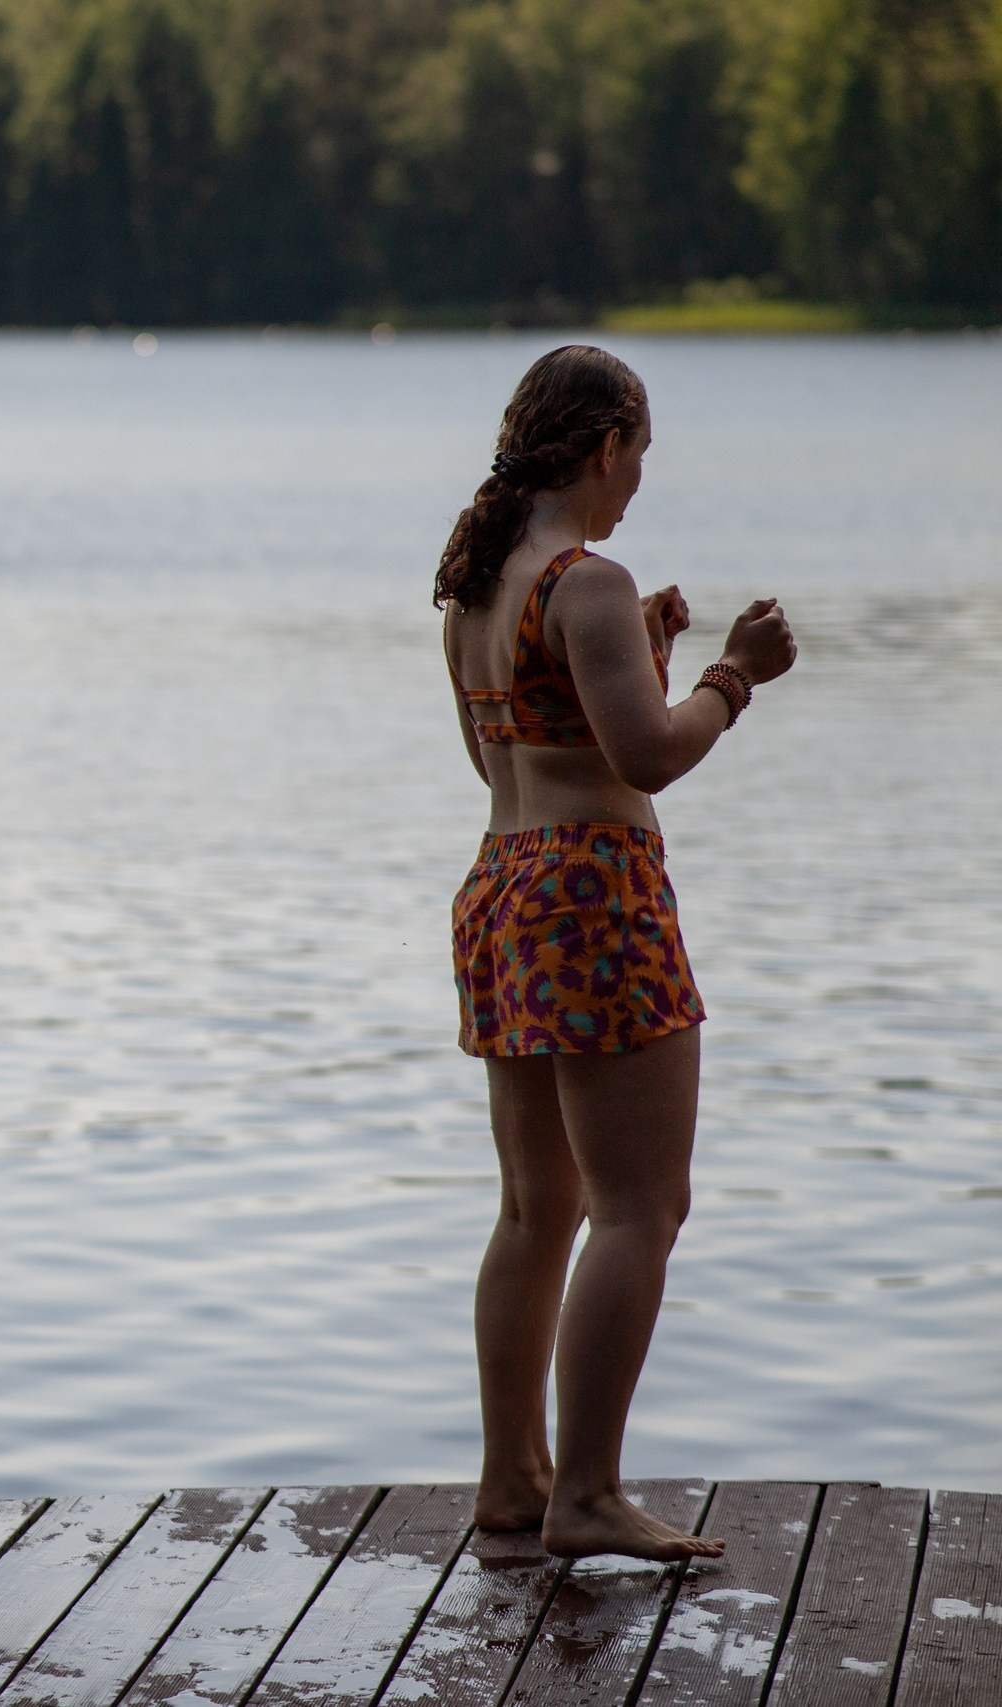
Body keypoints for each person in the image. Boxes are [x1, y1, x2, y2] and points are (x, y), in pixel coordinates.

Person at [439, 345, 795, 1563]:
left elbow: (515, 760)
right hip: (595, 895)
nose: (638, 481)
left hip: (502, 886)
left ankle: (513, 1481)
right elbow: (642, 760)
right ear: (606, 446)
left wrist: (633, 655)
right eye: (637, 454)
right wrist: (730, 679)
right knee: (642, 1205)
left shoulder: (481, 589)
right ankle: (585, 1493)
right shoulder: (587, 582)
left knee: (539, 1206)